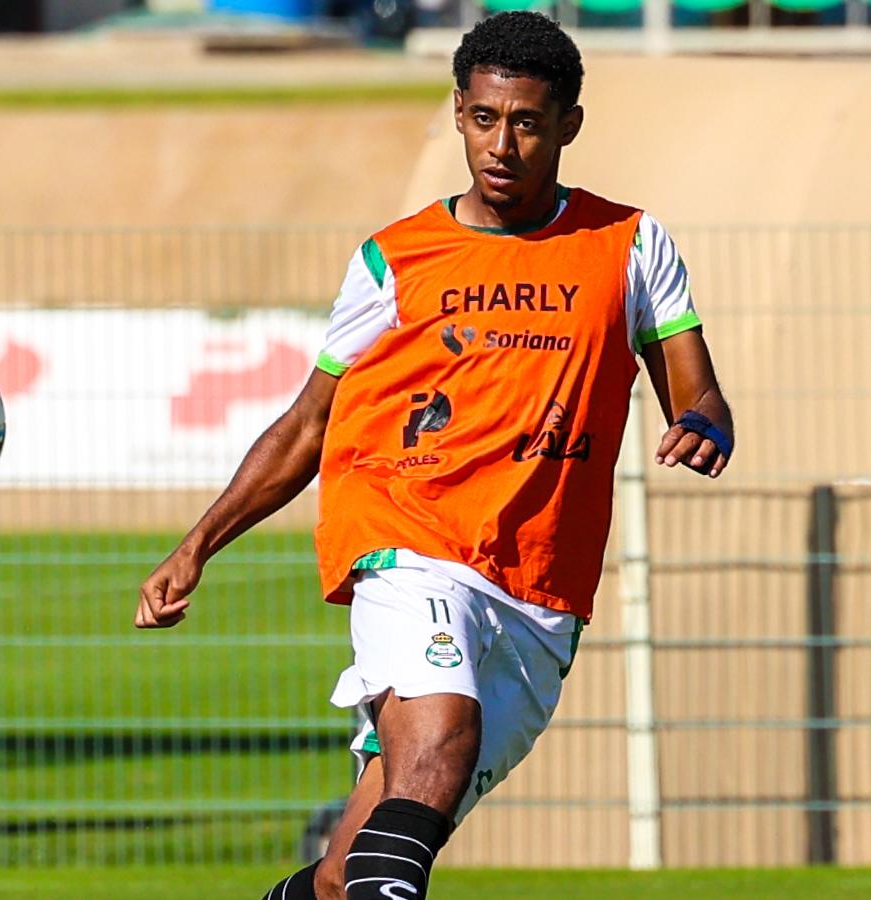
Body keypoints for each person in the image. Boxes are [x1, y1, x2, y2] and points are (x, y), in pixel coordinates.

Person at [136, 12, 734, 899]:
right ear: (459, 111)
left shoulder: (630, 246)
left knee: (349, 873)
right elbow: (309, 424)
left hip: (539, 593)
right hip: (408, 544)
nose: (502, 144)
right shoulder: (393, 261)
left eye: (528, 122)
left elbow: (697, 390)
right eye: (485, 118)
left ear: (568, 124)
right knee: (440, 742)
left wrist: (706, 423)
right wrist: (198, 544)